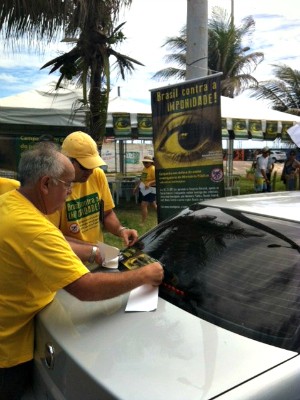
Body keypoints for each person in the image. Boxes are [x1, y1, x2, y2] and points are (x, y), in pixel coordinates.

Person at [0, 144, 164, 400]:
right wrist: (145, 275)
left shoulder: (11, 198)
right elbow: (85, 288)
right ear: (45, 184)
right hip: (8, 348)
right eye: (67, 185)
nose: (69, 193)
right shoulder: (34, 228)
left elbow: (53, 241)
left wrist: (93, 252)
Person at [47, 131, 139, 265]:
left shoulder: (97, 175)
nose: (90, 172)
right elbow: (53, 237)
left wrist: (121, 230)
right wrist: (94, 250)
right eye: (85, 166)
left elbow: (106, 214)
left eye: (93, 165)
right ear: (66, 161)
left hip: (97, 257)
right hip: (69, 261)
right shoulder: (54, 187)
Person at [133, 155, 157, 224]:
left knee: (143, 205)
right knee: (153, 204)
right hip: (145, 188)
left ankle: (143, 222)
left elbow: (157, 179)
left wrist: (150, 183)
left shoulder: (153, 169)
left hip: (151, 189)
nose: (145, 164)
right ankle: (163, 215)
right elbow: (142, 179)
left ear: (151, 163)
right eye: (144, 162)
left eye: (146, 162)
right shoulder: (144, 169)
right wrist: (136, 187)